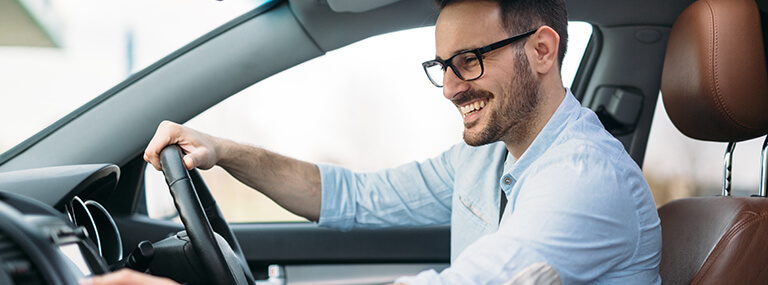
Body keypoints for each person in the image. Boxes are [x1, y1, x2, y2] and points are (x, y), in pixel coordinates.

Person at [83, 0, 662, 284]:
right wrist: (226, 152)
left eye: (469, 62)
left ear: (541, 50)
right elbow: (353, 197)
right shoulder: (484, 156)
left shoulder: (586, 179)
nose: (451, 88)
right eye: (443, 66)